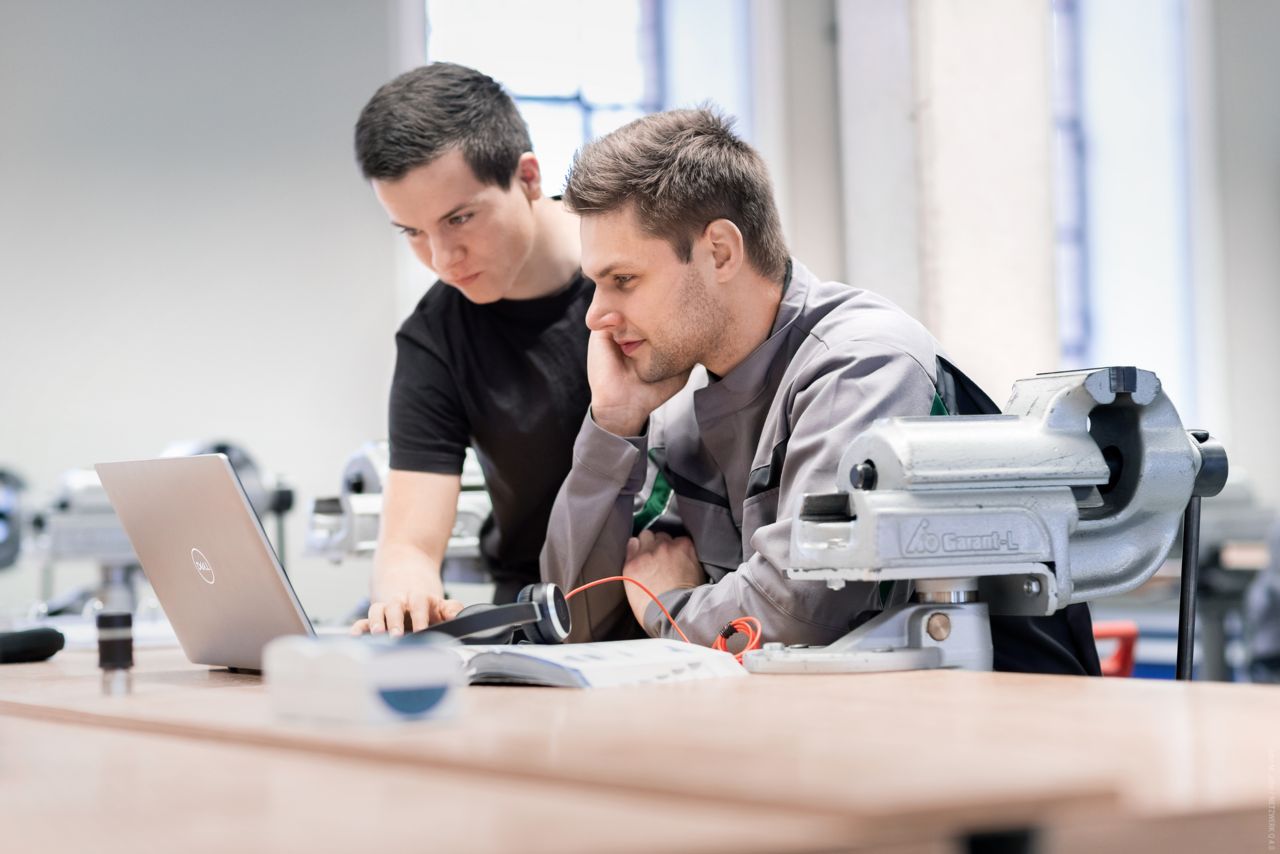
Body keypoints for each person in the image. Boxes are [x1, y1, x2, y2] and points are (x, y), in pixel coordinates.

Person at [541, 107, 1100, 674]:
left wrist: (669, 605)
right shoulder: (677, 415)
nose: (596, 317)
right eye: (596, 284)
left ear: (720, 252)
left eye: (623, 280)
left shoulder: (863, 365)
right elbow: (575, 626)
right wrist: (612, 424)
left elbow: (796, 618)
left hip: (1005, 726)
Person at [350, 62, 588, 636]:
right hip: (538, 609)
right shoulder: (434, 339)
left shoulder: (634, 271)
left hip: (682, 592)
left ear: (528, 177)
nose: (441, 258)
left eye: (460, 218)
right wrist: (406, 597)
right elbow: (408, 542)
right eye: (411, 231)